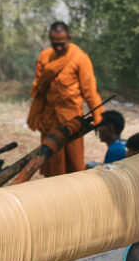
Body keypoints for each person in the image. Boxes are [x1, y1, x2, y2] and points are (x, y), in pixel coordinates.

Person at [27, 21, 103, 176]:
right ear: (50, 40)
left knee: (73, 163)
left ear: (69, 38)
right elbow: (40, 88)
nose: (59, 47)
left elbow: (90, 91)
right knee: (51, 161)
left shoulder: (80, 58)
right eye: (55, 43)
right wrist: (37, 116)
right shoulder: (45, 56)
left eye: (62, 43)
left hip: (71, 120)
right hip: (49, 119)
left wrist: (99, 118)